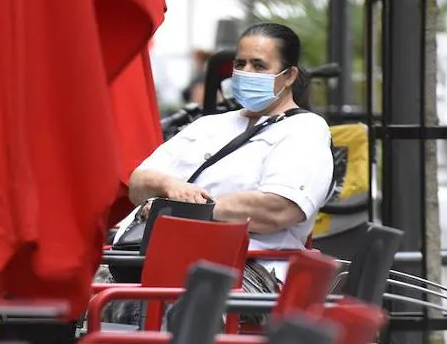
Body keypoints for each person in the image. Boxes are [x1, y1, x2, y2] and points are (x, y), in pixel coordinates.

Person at [123, 23, 335, 284]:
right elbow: (138, 183)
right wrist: (169, 185)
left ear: (289, 76)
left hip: (250, 268)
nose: (246, 73)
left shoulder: (305, 129)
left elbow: (280, 208)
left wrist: (186, 209)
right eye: (240, 64)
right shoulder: (208, 124)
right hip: (159, 257)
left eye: (259, 66)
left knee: (167, 297)